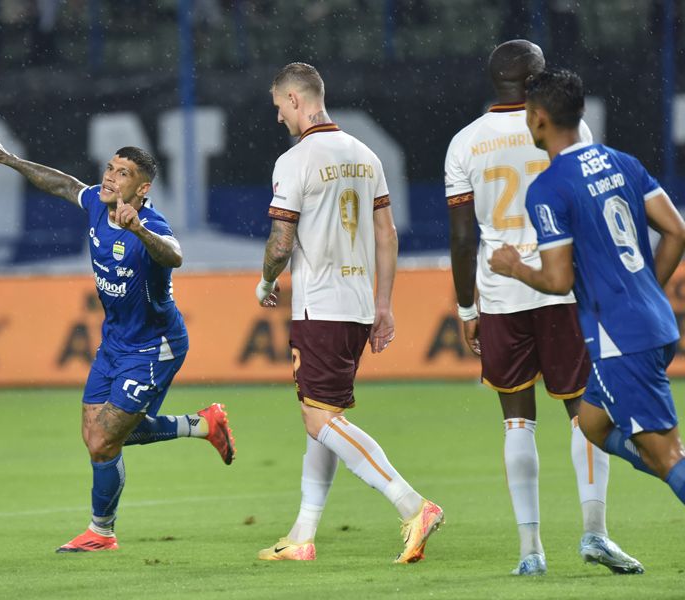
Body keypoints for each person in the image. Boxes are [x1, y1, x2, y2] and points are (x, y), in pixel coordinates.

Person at [0, 125, 236, 553]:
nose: (110, 177)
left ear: (143, 188)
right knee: (99, 434)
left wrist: (140, 232)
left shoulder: (150, 223)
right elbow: (63, 184)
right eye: (110, 167)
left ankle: (102, 533)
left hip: (155, 346)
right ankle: (203, 424)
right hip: (114, 342)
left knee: (103, 440)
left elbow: (175, 255)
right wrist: (7, 160)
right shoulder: (97, 201)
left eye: (123, 173)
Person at [446, 41, 642, 576]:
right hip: (563, 291)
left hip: (501, 296)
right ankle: (595, 533)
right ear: (535, 82)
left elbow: (462, 239)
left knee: (516, 422)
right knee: (586, 416)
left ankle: (530, 552)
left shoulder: (463, 144)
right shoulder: (568, 131)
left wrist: (467, 309)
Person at [254, 62, 443, 564]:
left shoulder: (295, 161)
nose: (278, 118)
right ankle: (302, 534)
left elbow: (280, 242)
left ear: (296, 100)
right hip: (357, 304)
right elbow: (387, 234)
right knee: (323, 415)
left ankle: (412, 504)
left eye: (279, 107)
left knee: (318, 420)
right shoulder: (365, 155)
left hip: (320, 304)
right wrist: (383, 305)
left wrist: (268, 280)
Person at [489, 68, 685, 514]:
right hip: (652, 319)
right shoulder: (623, 162)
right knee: (593, 424)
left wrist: (514, 266)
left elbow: (557, 280)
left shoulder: (549, 189)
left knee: (667, 453)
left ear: (538, 118)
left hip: (621, 338)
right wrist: (644, 289)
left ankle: (673, 467)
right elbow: (676, 230)